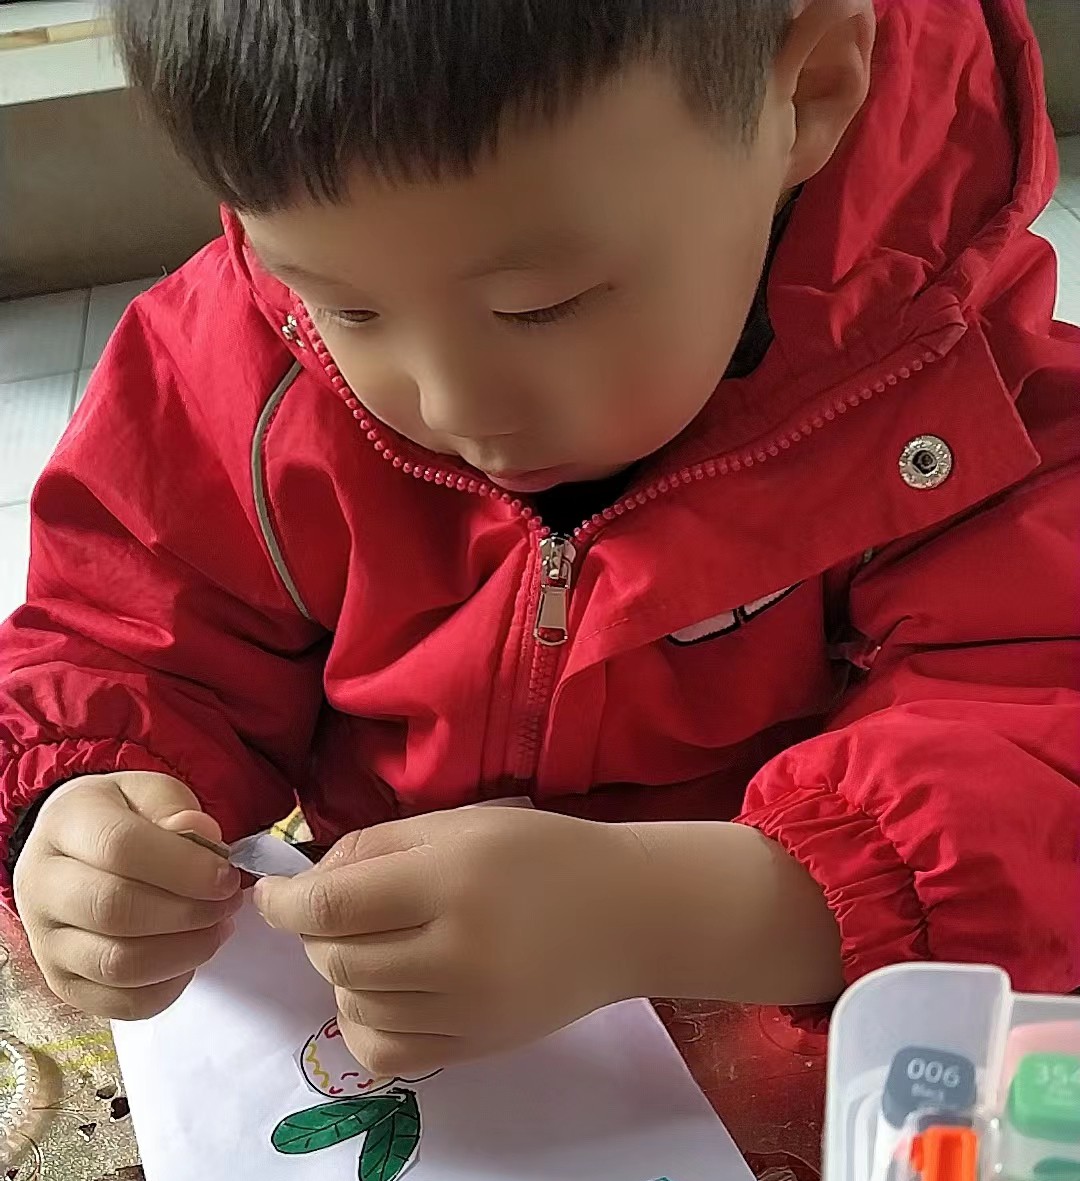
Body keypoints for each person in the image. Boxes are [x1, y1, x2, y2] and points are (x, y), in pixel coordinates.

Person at [2, 0, 1077, 1085]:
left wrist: (653, 912)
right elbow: (124, 635)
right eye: (347, 308)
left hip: (780, 1034)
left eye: (538, 307)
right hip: (401, 1044)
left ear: (809, 93)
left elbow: (1033, 768)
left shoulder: (969, 404)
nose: (453, 403)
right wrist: (87, 807)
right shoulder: (231, 366)